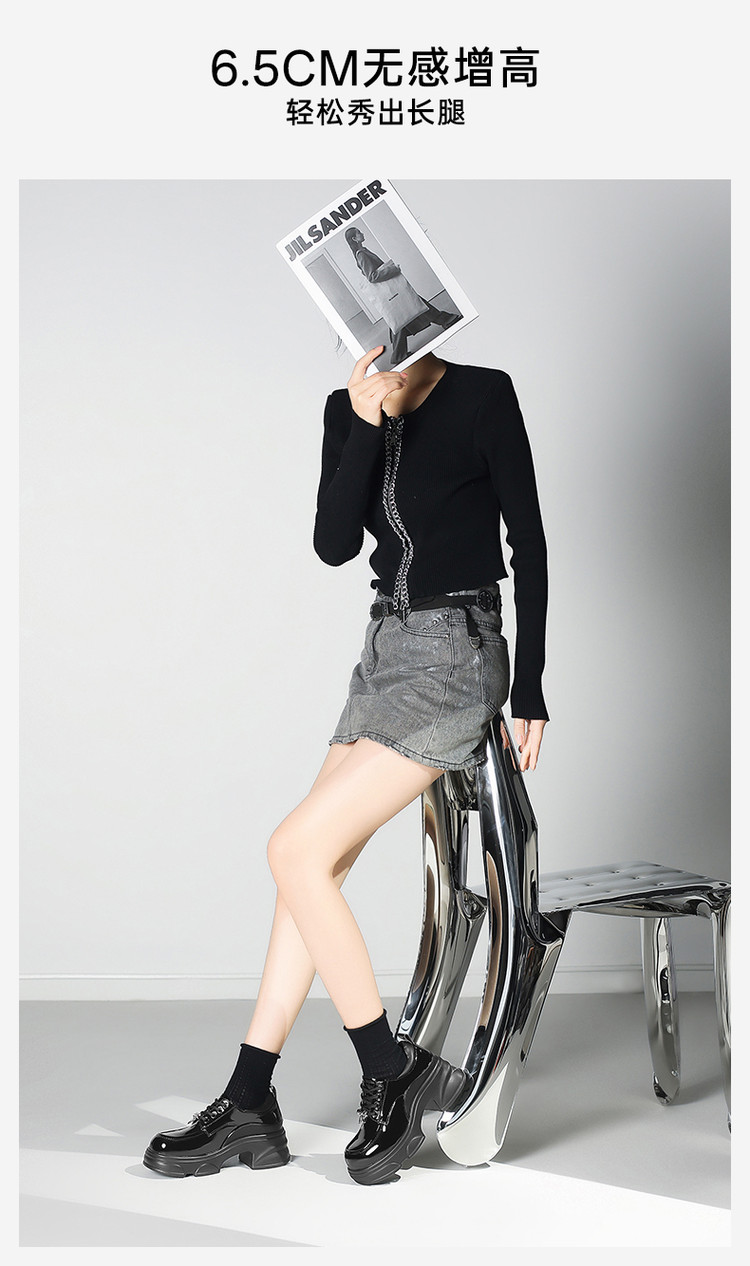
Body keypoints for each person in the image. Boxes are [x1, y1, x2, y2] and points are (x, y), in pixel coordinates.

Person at [143, 345, 549, 1187]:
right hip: (384, 650)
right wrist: (365, 423)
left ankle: (389, 1070)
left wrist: (531, 688)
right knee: (310, 867)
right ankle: (250, 1100)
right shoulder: (346, 407)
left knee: (293, 852)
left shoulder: (482, 394)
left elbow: (530, 540)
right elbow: (333, 545)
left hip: (456, 652)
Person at [345, 226, 461, 364]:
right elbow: (372, 276)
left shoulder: (362, 251)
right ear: (354, 238)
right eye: (359, 232)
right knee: (410, 309)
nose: (362, 233)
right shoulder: (361, 255)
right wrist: (393, 270)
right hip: (392, 291)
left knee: (404, 314)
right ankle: (446, 320)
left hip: (393, 293)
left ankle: (399, 354)